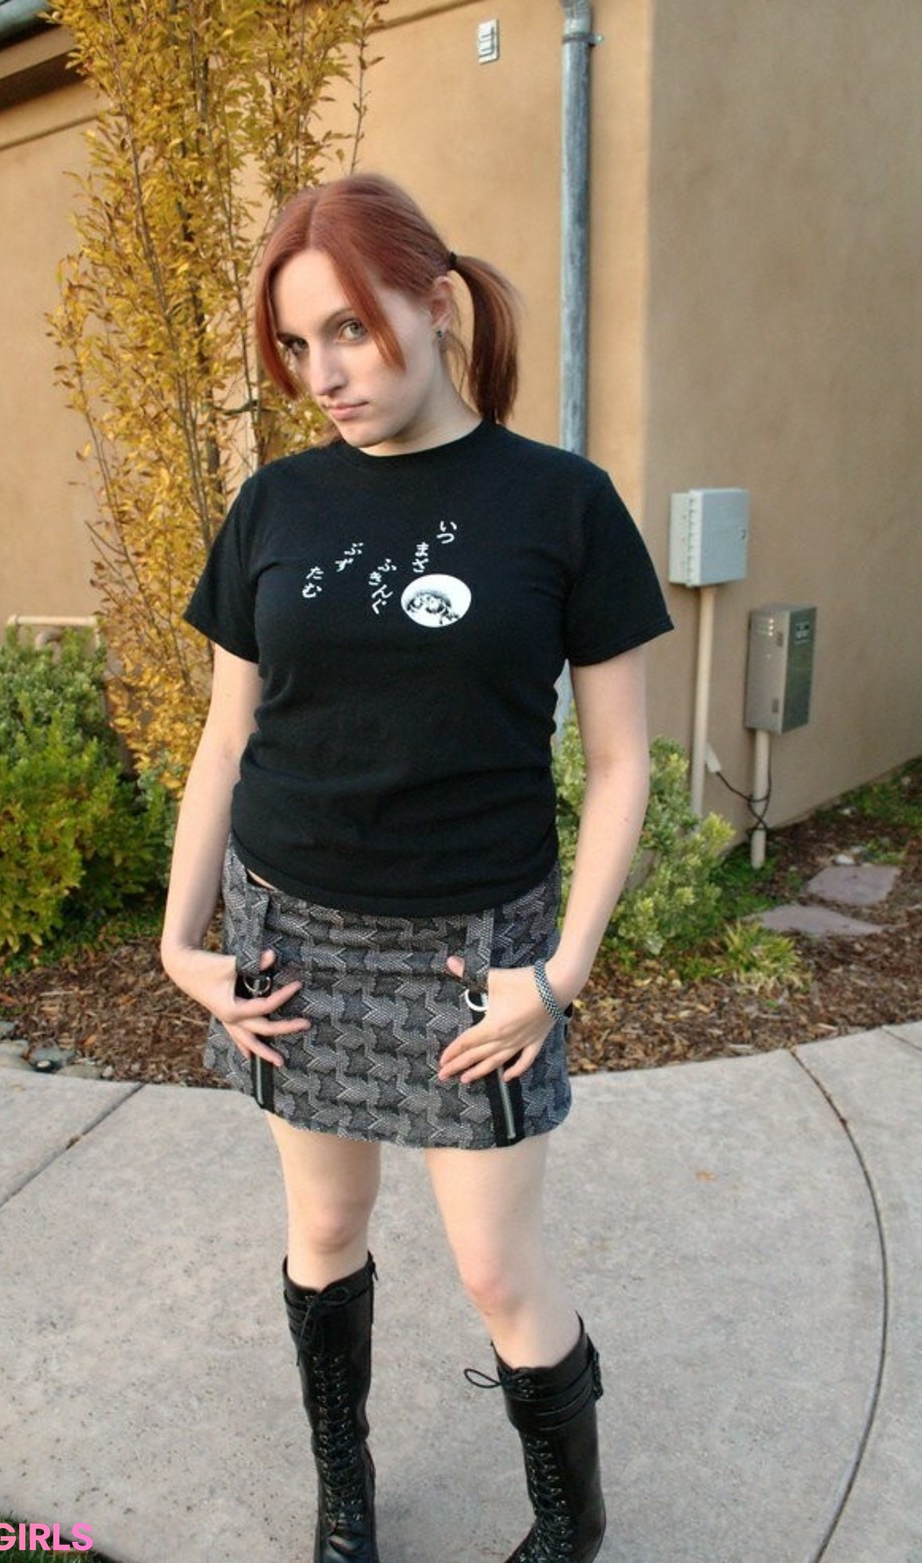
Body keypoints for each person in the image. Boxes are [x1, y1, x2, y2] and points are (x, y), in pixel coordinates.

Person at [161, 172, 673, 1563]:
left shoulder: (561, 503)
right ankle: (346, 1497)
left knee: (499, 1269)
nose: (321, 374)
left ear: (437, 305)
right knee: (324, 1229)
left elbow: (620, 761)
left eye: (350, 329)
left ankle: (568, 1527)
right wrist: (179, 943)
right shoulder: (275, 504)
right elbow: (226, 739)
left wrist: (558, 974)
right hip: (291, 942)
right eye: (295, 344)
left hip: (475, 956)